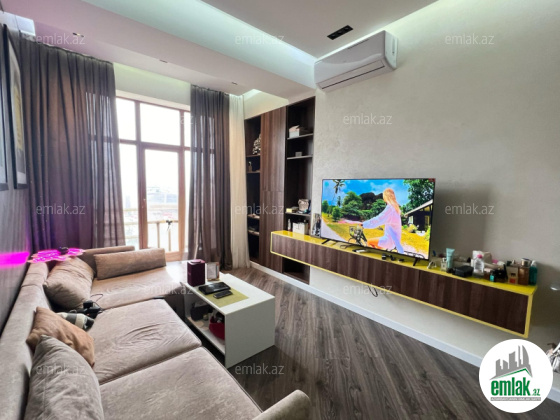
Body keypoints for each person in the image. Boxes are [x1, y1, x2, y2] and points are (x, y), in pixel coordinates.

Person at [362, 188, 404, 254]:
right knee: (377, 248)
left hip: (389, 240)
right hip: (394, 241)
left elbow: (378, 220)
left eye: (384, 196)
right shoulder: (396, 209)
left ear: (386, 196)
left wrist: (363, 224)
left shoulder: (390, 208)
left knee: (369, 242)